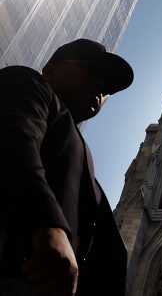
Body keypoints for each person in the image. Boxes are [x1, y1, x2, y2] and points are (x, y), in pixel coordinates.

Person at [0, 38, 133, 295]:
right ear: (50, 70)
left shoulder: (85, 164)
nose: (100, 86)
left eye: (107, 87)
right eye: (92, 70)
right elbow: (12, 138)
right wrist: (45, 223)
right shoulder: (27, 83)